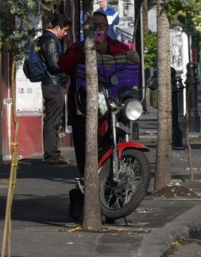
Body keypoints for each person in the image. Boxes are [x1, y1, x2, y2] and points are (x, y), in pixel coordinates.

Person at [58, 11, 133, 174]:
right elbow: (63, 64)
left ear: (107, 28)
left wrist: (107, 49)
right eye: (94, 26)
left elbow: (129, 58)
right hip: (82, 109)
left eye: (102, 26)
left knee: (110, 144)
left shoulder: (116, 45)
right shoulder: (78, 47)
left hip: (111, 108)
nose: (98, 29)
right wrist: (84, 51)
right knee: (83, 151)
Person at [39, 14, 72, 164]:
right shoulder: (50, 40)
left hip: (53, 83)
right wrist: (68, 68)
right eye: (65, 30)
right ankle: (51, 153)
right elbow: (54, 64)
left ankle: (52, 152)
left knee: (54, 119)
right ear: (58, 27)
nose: (65, 34)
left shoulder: (49, 40)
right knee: (52, 120)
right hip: (53, 84)